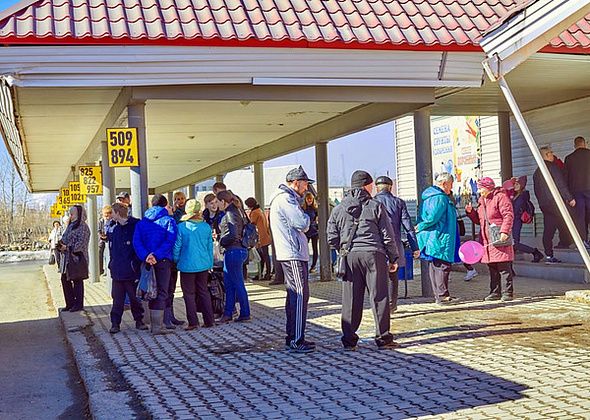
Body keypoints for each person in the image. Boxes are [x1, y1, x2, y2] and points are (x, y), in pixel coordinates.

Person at [328, 171, 400, 350]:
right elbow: (387, 235)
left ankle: (349, 340)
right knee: (379, 296)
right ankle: (383, 338)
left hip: (350, 257)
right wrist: (393, 258)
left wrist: (342, 249)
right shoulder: (376, 206)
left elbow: (331, 237)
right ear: (366, 186)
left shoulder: (338, 208)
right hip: (373, 255)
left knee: (351, 299)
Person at [269, 166, 314, 353]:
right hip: (293, 253)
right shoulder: (286, 199)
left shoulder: (285, 199)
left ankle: (293, 337)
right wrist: (309, 215)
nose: (307, 189)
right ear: (296, 183)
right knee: (299, 296)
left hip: (292, 252)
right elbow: (302, 223)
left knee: (295, 296)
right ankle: (296, 339)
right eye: (305, 184)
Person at [133, 194, 178, 335]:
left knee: (150, 291)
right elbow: (170, 241)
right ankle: (157, 327)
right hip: (163, 260)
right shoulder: (169, 221)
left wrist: (146, 256)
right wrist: (157, 255)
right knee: (162, 291)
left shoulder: (141, 223)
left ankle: (153, 324)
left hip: (146, 261)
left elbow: (136, 242)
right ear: (165, 205)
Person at [373, 175, 419, 312]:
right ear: (390, 187)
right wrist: (414, 247)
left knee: (377, 277)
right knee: (393, 276)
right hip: (394, 245)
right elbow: (408, 226)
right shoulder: (399, 203)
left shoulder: (371, 202)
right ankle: (392, 305)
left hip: (377, 246)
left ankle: (380, 306)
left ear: (377, 188)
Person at [466, 178, 515, 301]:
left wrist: (504, 231)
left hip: (499, 236)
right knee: (492, 267)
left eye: (481, 188)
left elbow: (508, 215)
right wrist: (471, 213)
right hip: (487, 239)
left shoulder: (501, 197)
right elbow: (479, 220)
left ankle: (507, 293)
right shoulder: (482, 200)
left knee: (504, 266)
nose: (479, 190)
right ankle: (495, 292)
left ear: (488, 187)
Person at [416, 172, 459, 305]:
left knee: (435, 266)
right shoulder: (440, 198)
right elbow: (433, 217)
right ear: (444, 183)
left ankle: (439, 295)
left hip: (434, 236)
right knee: (442, 266)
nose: (451, 187)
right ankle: (442, 296)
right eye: (451, 184)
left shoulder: (430, 196)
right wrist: (420, 226)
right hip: (440, 236)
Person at [173, 199, 215, 330]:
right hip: (203, 264)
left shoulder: (181, 227)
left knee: (189, 294)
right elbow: (210, 247)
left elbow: (177, 247)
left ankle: (193, 322)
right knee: (204, 291)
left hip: (186, 265)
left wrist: (176, 260)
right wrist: (210, 263)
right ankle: (209, 320)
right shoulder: (206, 227)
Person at [107, 203, 148, 333]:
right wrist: (112, 264)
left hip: (131, 270)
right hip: (117, 269)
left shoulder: (135, 226)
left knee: (134, 298)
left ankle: (139, 321)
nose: (110, 215)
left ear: (118, 213)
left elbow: (139, 246)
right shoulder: (115, 228)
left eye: (112, 212)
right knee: (117, 299)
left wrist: (135, 263)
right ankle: (115, 323)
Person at [533, 146, 576, 264]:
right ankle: (573, 243)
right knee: (568, 222)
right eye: (551, 153)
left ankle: (549, 255)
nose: (553, 154)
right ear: (546, 155)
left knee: (548, 229)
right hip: (555, 203)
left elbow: (537, 190)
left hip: (544, 205)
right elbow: (560, 183)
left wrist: (542, 203)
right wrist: (569, 198)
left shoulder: (537, 172)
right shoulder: (552, 167)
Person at [216, 190, 251, 323]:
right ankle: (228, 313)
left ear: (223, 201)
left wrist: (221, 241)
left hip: (233, 251)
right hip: (239, 250)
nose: (218, 205)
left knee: (237, 283)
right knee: (230, 284)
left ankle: (244, 312)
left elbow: (233, 234)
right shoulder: (238, 211)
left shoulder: (230, 213)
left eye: (218, 202)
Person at [58, 205, 90, 312]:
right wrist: (60, 244)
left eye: (72, 214)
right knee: (64, 279)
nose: (70, 216)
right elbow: (64, 238)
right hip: (67, 259)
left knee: (77, 281)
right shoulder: (70, 226)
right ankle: (70, 303)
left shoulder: (83, 227)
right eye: (70, 214)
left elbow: (81, 244)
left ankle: (78, 304)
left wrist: (67, 247)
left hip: (77, 259)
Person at [506, 176, 544, 262]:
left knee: (514, 243)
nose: (515, 186)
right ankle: (510, 265)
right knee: (511, 244)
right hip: (512, 221)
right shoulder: (515, 195)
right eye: (514, 184)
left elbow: (515, 210)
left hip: (516, 221)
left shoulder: (522, 196)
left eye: (517, 184)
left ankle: (535, 252)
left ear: (521, 186)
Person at [564, 136, 590, 248]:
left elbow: (566, 177)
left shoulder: (569, 158)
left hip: (576, 192)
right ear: (584, 144)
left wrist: (568, 196)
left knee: (580, 217)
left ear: (575, 145)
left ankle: (583, 240)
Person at [245, 197, 272, 281]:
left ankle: (265, 273)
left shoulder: (255, 213)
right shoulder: (260, 210)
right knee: (265, 256)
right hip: (265, 235)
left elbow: (252, 225)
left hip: (260, 237)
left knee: (262, 257)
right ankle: (265, 273)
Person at [302, 192, 319, 273]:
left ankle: (313, 266)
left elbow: (318, 219)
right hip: (306, 230)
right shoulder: (303, 209)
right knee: (304, 249)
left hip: (314, 230)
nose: (309, 201)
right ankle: (305, 265)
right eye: (308, 199)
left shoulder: (315, 209)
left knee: (315, 249)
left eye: (311, 199)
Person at [98, 205, 113, 276]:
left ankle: (107, 270)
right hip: (102, 239)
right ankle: (101, 269)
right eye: (105, 214)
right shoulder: (101, 221)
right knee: (100, 252)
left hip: (110, 240)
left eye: (108, 213)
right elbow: (98, 230)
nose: (106, 215)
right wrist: (101, 235)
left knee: (108, 254)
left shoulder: (113, 222)